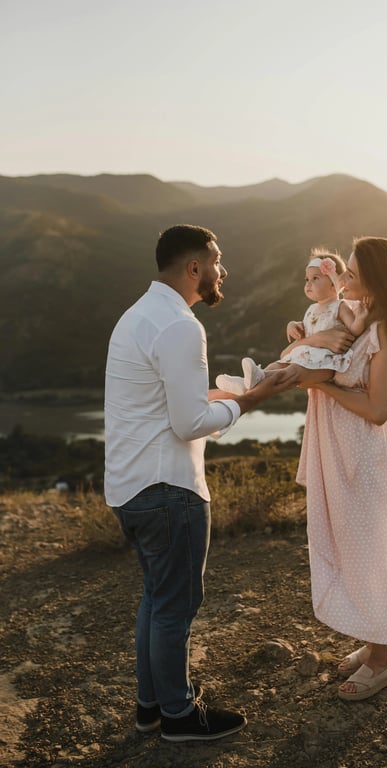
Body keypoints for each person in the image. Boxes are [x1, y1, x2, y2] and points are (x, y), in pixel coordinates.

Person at [104, 224, 299, 741]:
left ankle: (151, 707)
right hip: (169, 491)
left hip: (130, 487)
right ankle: (180, 716)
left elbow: (170, 401)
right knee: (175, 607)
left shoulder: (138, 315)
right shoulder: (181, 326)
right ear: (194, 268)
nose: (222, 270)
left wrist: (236, 393)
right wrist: (255, 400)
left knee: (156, 598)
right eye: (217, 260)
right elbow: (189, 423)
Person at [291, 236, 387, 701]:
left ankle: (382, 658)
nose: (343, 279)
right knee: (352, 548)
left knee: (371, 551)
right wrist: (303, 338)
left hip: (363, 455)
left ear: (374, 281)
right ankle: (377, 641)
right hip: (338, 448)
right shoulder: (356, 317)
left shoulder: (384, 331)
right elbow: (324, 345)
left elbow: (377, 410)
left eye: (351, 273)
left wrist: (322, 386)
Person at [215, 249, 369, 395]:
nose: (308, 283)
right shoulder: (312, 309)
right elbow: (307, 330)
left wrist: (361, 318)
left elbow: (354, 330)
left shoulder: (340, 306)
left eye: (315, 278)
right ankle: (247, 382)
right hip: (305, 356)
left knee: (292, 371)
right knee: (278, 364)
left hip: (324, 363)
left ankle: (257, 380)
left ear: (334, 284)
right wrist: (293, 326)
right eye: (307, 279)